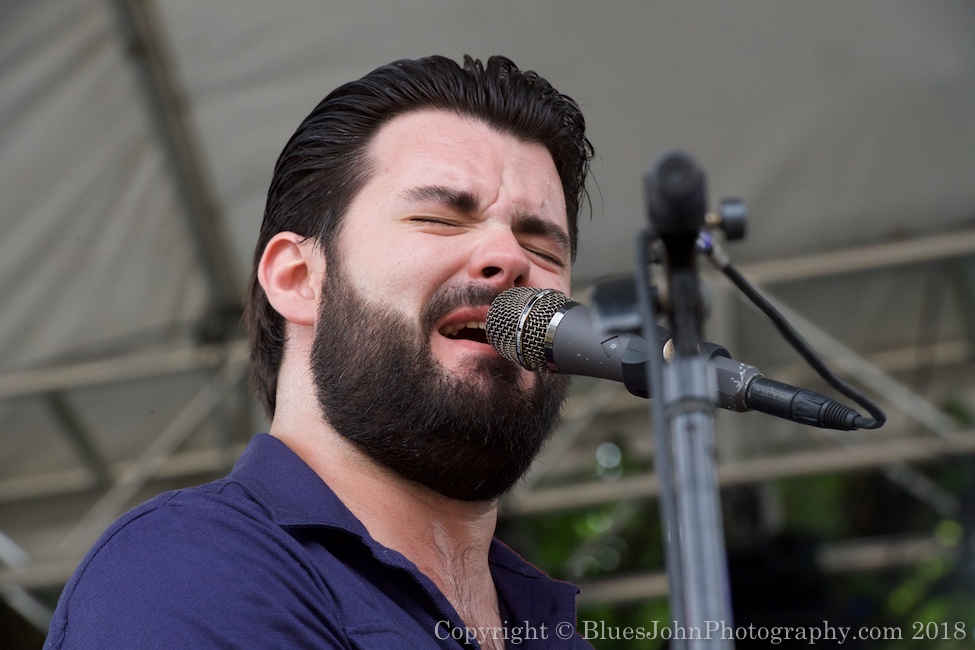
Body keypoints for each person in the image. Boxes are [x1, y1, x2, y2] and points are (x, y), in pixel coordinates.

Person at [45, 54, 595, 649]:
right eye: (440, 218)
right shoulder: (187, 567)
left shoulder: (550, 630)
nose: (509, 257)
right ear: (297, 277)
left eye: (542, 247)